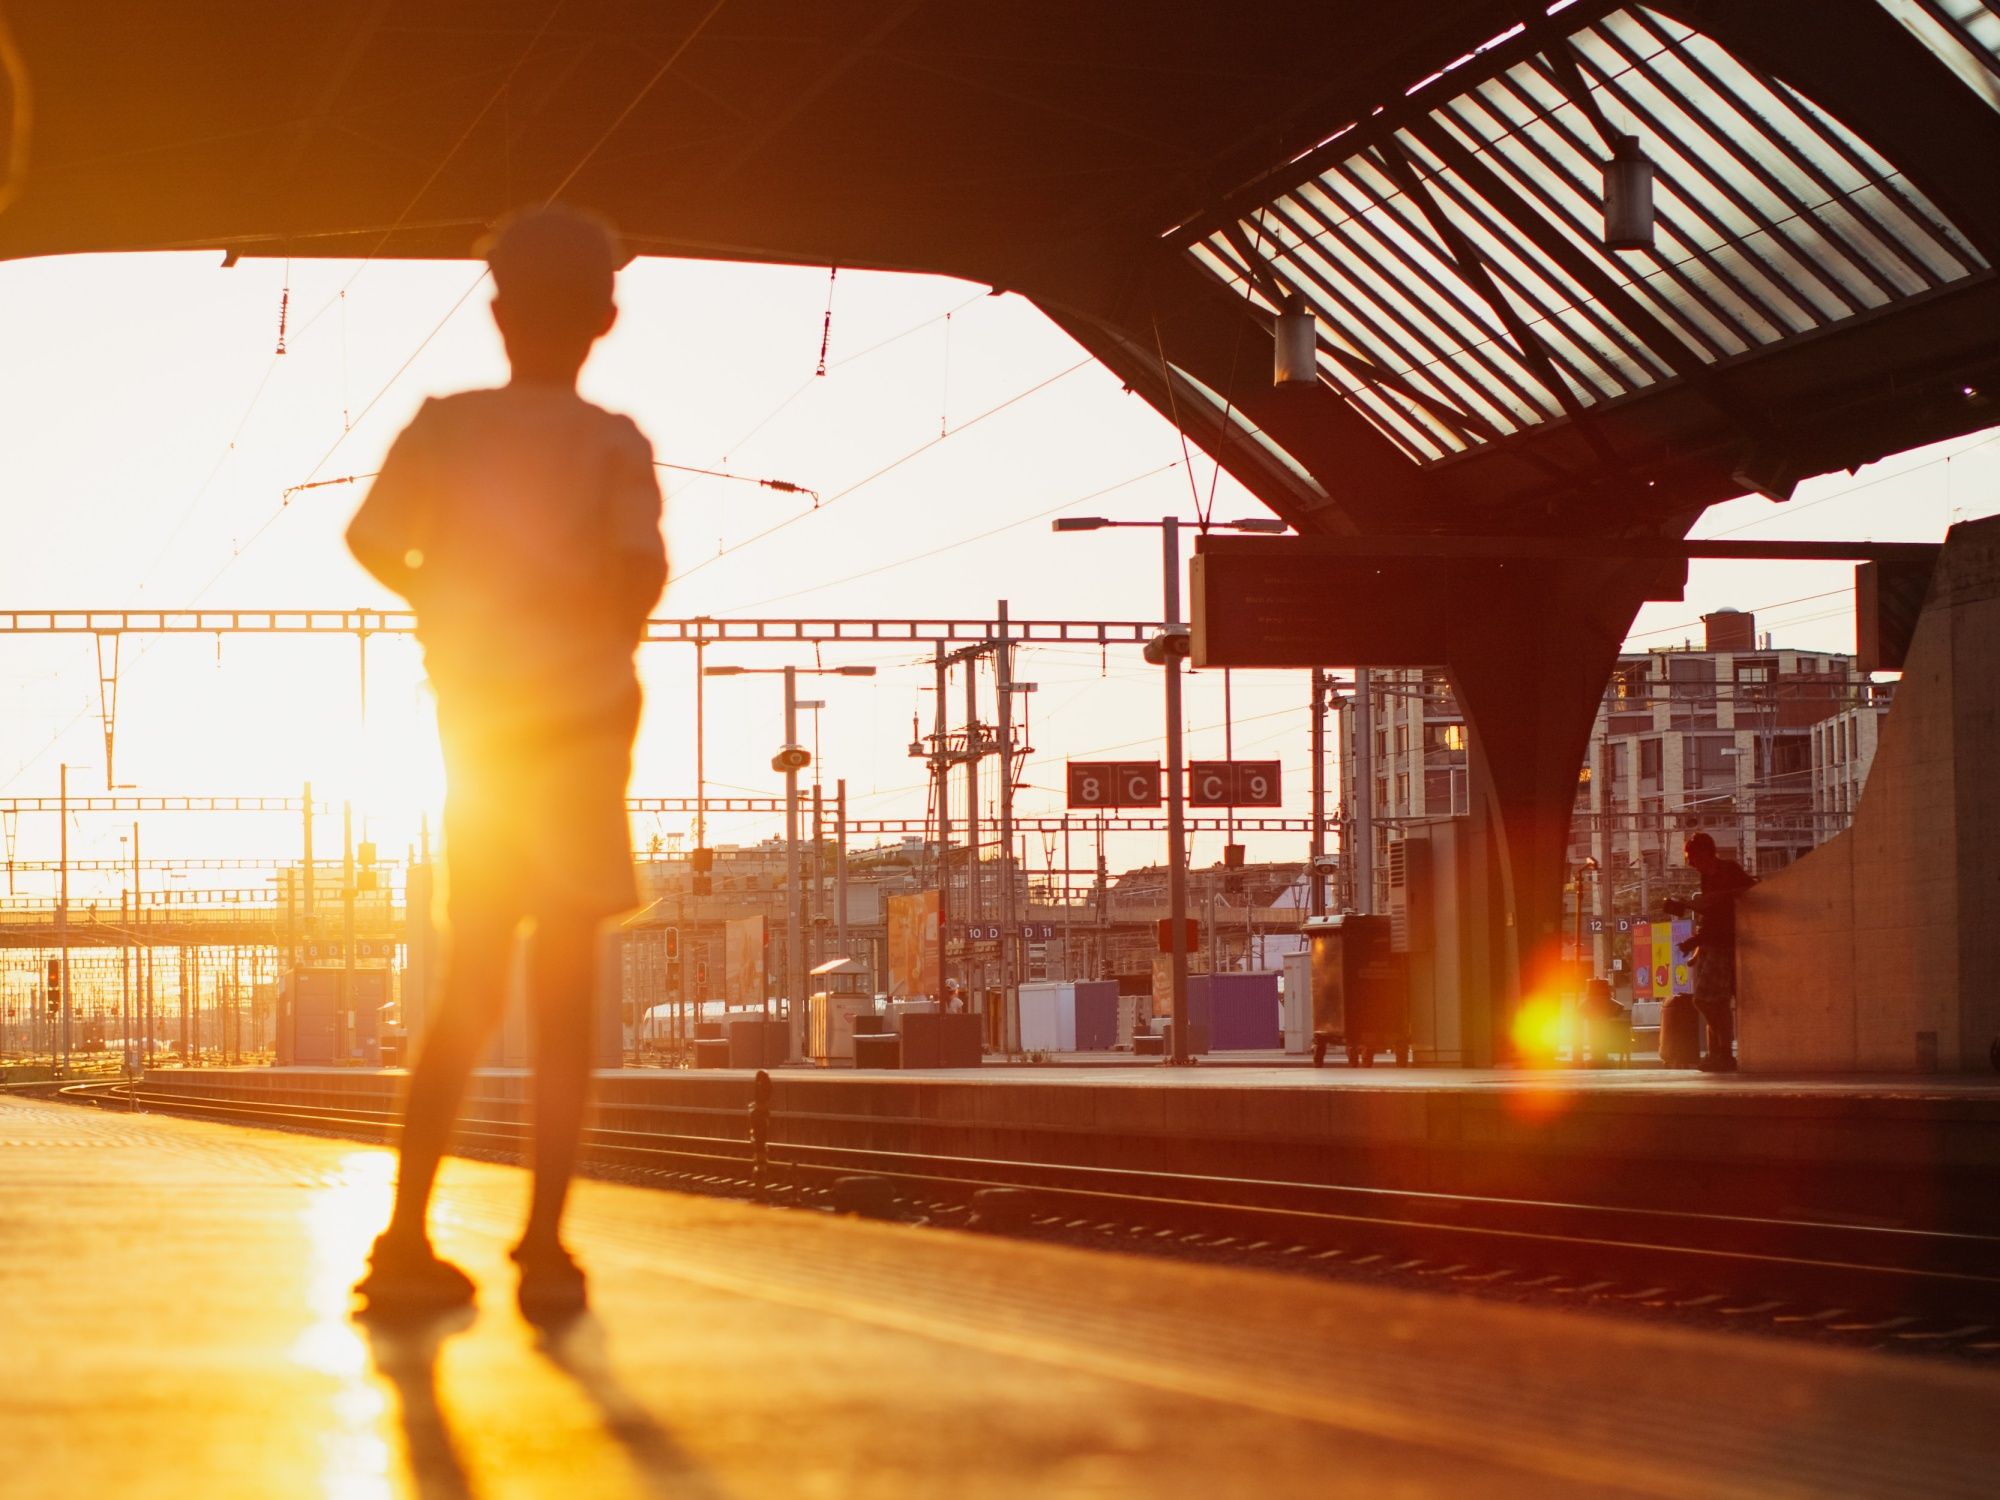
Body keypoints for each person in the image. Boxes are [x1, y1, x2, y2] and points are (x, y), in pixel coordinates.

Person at [345, 204, 667, 1318]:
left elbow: (368, 538)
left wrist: (446, 601)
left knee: (469, 986)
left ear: (496, 312)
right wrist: (586, 636)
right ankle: (543, 1247)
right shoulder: (613, 444)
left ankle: (404, 1240)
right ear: (605, 319)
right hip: (578, 744)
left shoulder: (444, 429)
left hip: (480, 743)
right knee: (566, 1000)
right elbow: (638, 573)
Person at [1663, 832, 1756, 1074]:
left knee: (1705, 999)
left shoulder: (1728, 870)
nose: (1692, 864)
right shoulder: (1707, 877)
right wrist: (1696, 941)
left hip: (1725, 945)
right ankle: (1719, 1052)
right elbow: (1714, 917)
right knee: (1717, 1002)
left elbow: (1748, 892)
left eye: (1693, 858)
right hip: (1713, 944)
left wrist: (1711, 900)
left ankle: (1724, 1050)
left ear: (1705, 853)